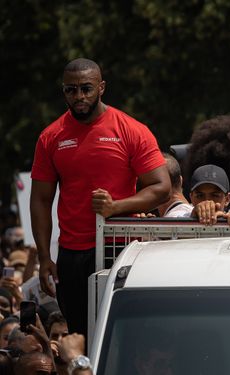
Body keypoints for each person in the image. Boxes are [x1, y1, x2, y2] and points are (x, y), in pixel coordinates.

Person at [30, 58, 171, 337]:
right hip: (71, 253)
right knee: (80, 336)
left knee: (126, 335)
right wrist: (45, 256)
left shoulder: (131, 130)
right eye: (71, 90)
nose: (79, 97)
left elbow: (161, 187)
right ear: (63, 92)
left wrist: (116, 207)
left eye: (86, 88)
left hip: (119, 245)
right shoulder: (51, 137)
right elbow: (41, 200)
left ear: (101, 87)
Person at [188, 164, 230, 231]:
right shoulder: (181, 215)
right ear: (191, 198)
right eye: (200, 196)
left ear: (227, 199)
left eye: (215, 195)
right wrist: (192, 218)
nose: (207, 201)